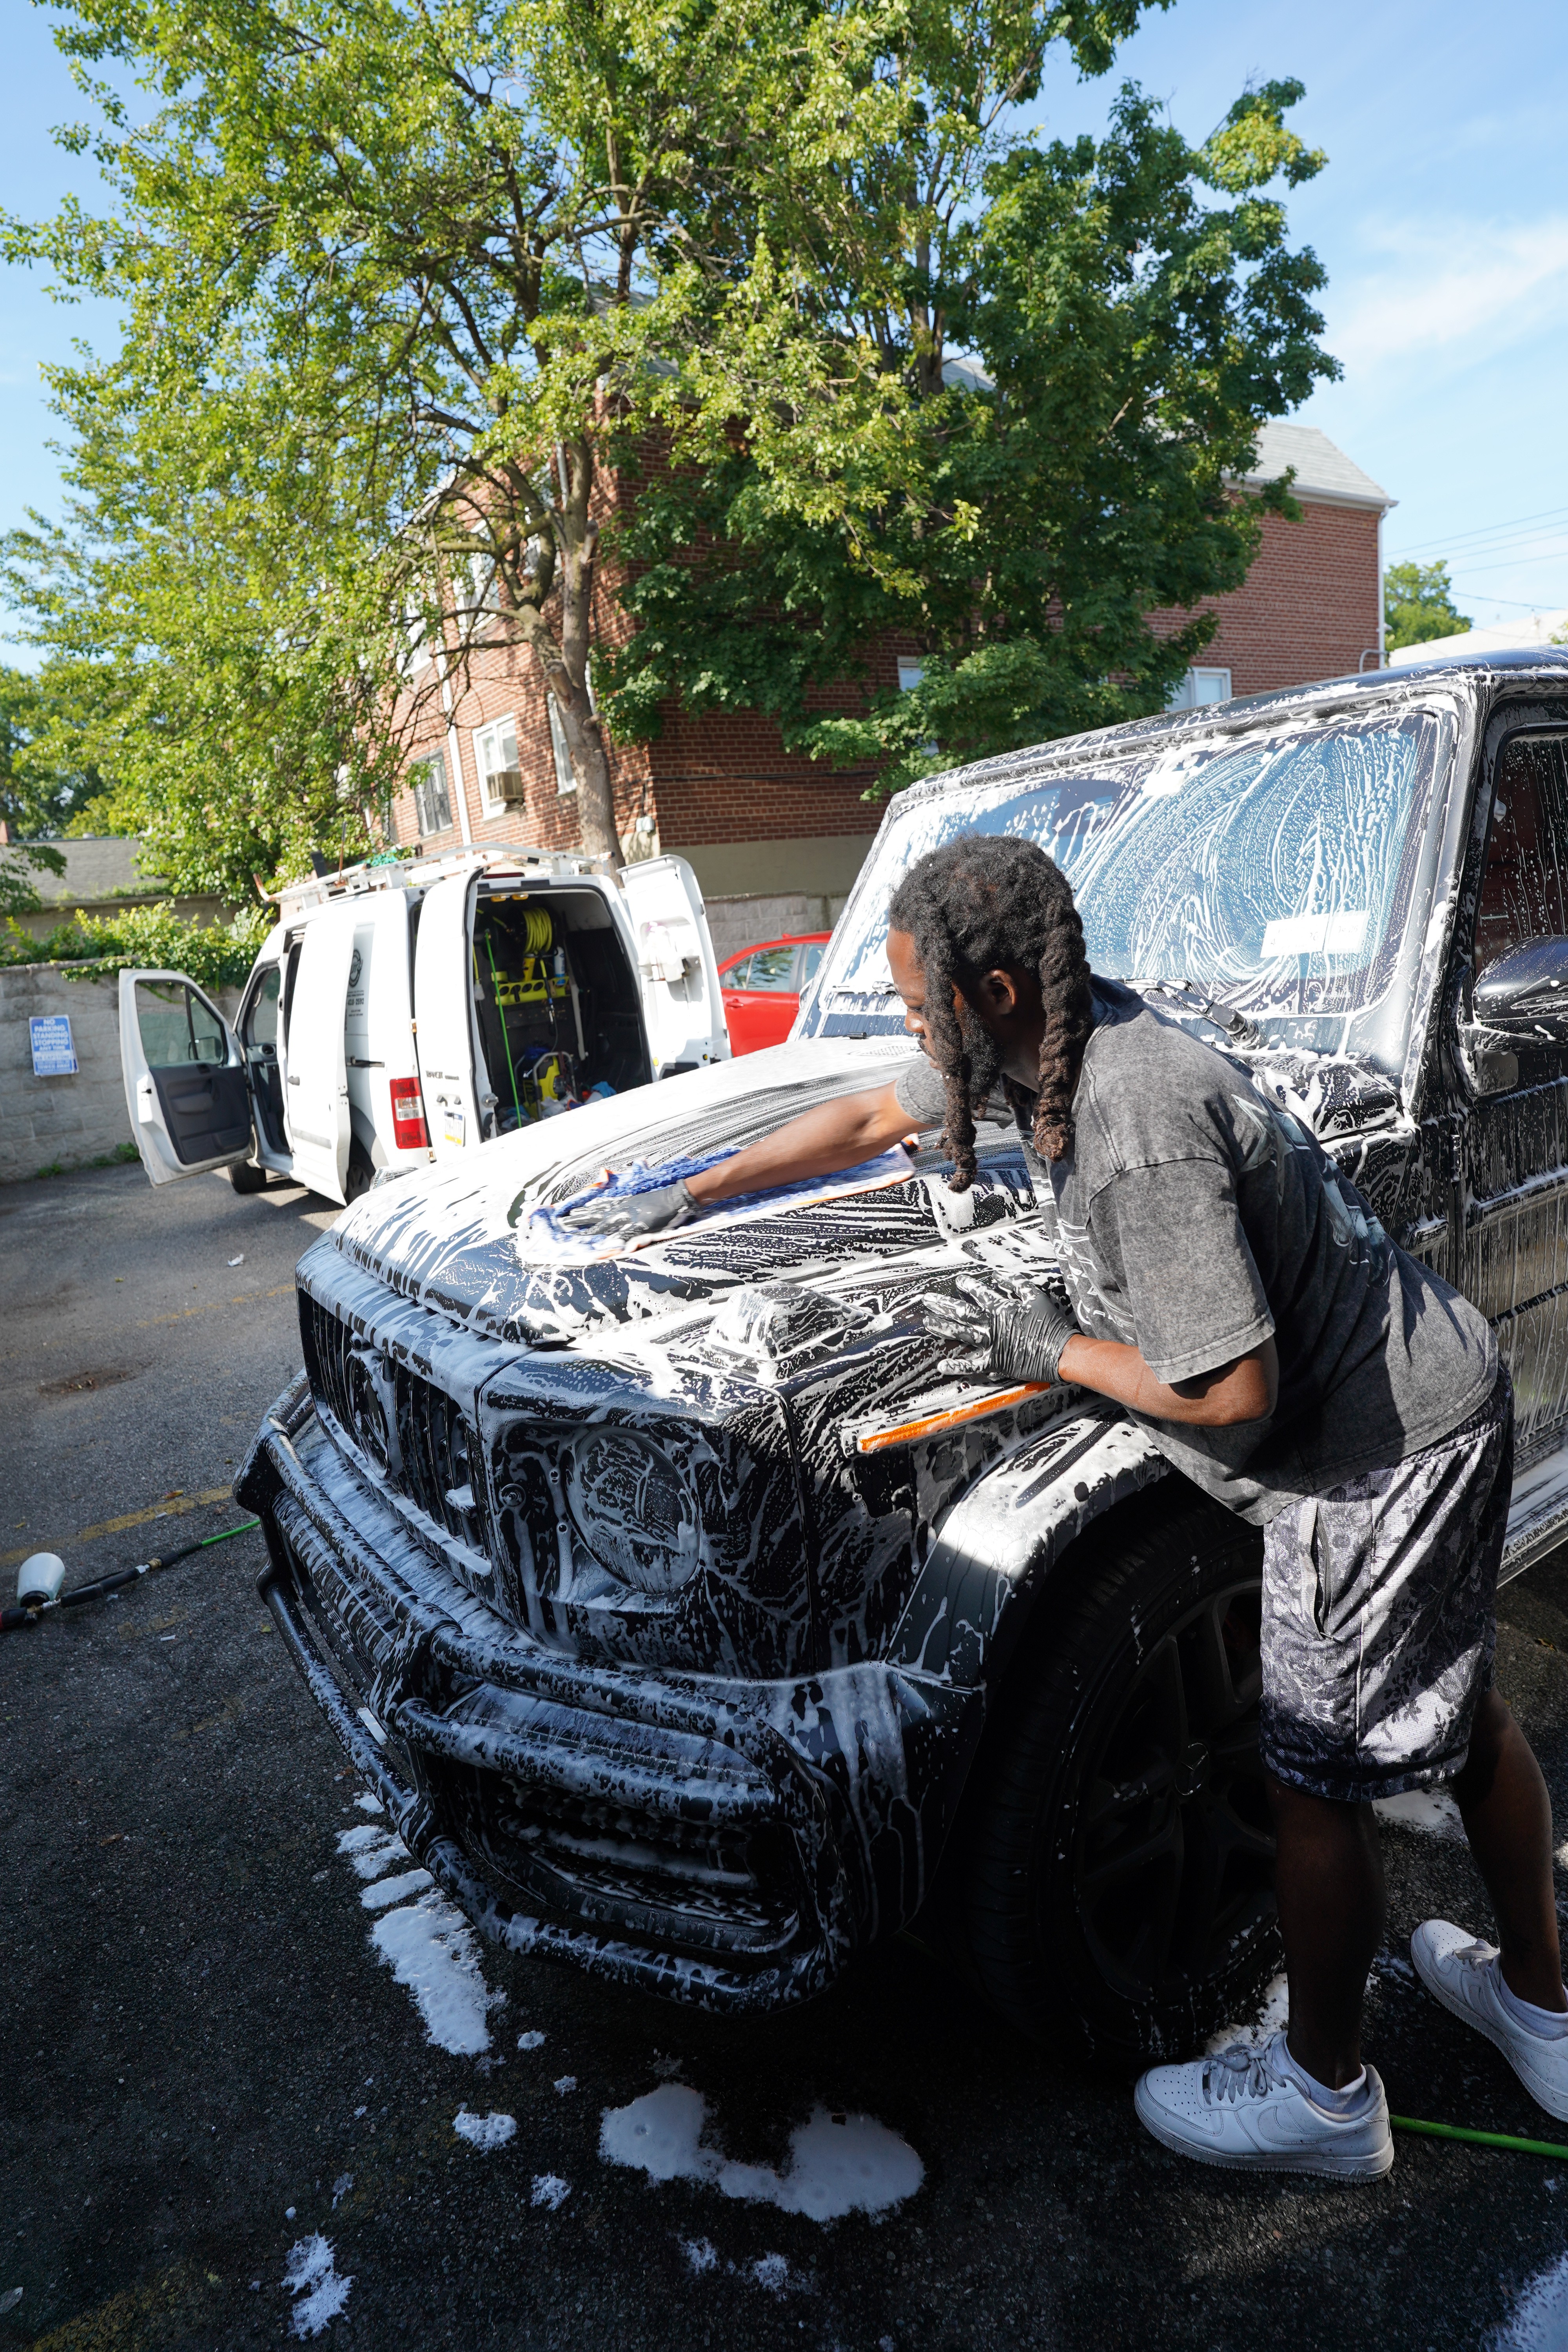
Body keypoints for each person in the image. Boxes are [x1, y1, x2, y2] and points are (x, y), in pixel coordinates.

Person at [567, 834, 1568, 2181]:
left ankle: (1326, 2103)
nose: (910, 1027)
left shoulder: (1131, 1126)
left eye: (920, 1000)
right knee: (1458, 1707)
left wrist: (1049, 1351)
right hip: (1436, 1391)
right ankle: (1544, 2003)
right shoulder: (1058, 1030)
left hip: (1375, 1462)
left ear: (989, 992)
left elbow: (1230, 1397)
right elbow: (875, 1113)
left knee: (1315, 1778)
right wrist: (683, 1195)